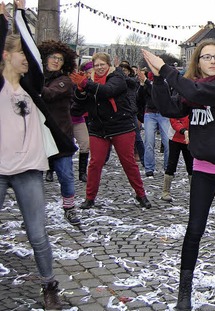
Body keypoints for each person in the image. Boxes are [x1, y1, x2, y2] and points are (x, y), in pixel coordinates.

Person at [142, 39, 215, 310]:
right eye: (206, 57)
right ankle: (185, 292)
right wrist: (158, 79)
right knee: (194, 229)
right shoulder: (191, 87)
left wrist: (167, 70)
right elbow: (170, 108)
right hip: (203, 167)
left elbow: (195, 91)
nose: (213, 61)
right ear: (198, 61)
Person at [0, 1, 77, 307]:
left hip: (28, 170)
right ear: (6, 57)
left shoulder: (32, 86)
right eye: (19, 56)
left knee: (38, 233)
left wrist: (19, 14)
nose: (28, 61)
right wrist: (3, 21)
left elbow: (32, 51)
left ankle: (49, 286)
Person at [70, 52, 151, 209]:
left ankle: (141, 194)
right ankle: (90, 197)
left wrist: (86, 85)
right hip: (98, 127)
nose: (100, 68)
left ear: (109, 65)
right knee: (95, 163)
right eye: (97, 65)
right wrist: (79, 91)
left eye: (102, 64)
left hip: (121, 126)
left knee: (128, 163)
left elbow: (108, 91)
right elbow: (78, 107)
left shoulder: (117, 77)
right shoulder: (90, 81)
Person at [38, 40, 81, 225]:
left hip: (60, 136)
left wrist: (27, 82)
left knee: (65, 176)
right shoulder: (39, 77)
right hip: (39, 135)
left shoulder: (64, 81)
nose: (56, 61)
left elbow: (48, 94)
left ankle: (69, 208)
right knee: (34, 178)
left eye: (60, 59)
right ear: (45, 59)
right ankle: (35, 211)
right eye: (53, 57)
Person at [161, 116, 193, 202]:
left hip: (190, 138)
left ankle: (194, 191)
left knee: (191, 166)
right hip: (175, 138)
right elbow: (173, 120)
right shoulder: (176, 104)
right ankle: (165, 191)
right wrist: (184, 130)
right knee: (171, 164)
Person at [69, 61, 93, 182]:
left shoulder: (86, 81)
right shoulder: (64, 79)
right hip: (64, 119)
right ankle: (51, 170)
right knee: (61, 146)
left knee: (85, 143)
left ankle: (82, 173)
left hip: (78, 117)